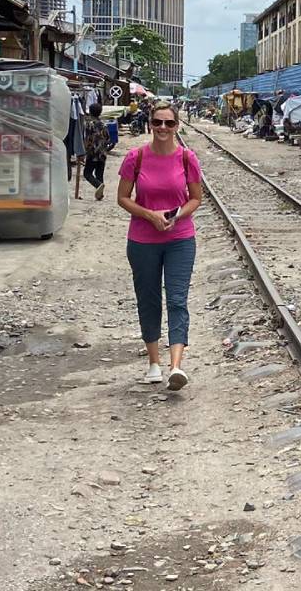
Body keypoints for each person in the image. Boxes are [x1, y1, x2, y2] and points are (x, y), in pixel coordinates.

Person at [117, 102, 203, 390]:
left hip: (180, 239)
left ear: (177, 125)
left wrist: (176, 215)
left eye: (168, 123)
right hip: (142, 241)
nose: (163, 128)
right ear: (150, 124)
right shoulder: (136, 157)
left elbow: (195, 198)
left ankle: (176, 366)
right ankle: (153, 363)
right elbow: (123, 197)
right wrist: (149, 215)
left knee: (177, 300)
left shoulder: (187, 158)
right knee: (148, 299)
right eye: (157, 122)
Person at [83, 103, 112, 201]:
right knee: (99, 174)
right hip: (102, 153)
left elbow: (87, 139)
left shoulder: (89, 124)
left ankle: (98, 185)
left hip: (93, 153)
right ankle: (100, 194)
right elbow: (108, 138)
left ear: (90, 112)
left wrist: (85, 150)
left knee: (87, 173)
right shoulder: (103, 124)